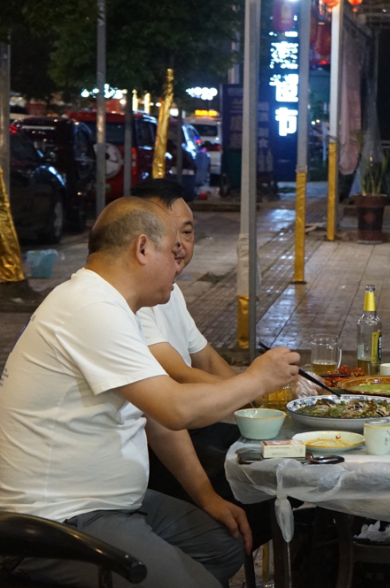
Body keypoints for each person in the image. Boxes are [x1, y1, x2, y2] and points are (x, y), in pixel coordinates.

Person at [0, 197, 300, 588]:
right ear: (141, 248)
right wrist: (257, 379)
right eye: (172, 252)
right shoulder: (89, 306)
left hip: (114, 505)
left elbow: (155, 416)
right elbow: (174, 408)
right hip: (59, 519)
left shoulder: (117, 306)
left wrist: (206, 496)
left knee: (224, 546)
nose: (179, 263)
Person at [130, 178, 274, 544]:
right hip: (146, 451)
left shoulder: (169, 289)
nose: (179, 246)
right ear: (140, 241)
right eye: (168, 234)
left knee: (276, 459)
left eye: (188, 232)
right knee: (266, 487)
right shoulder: (122, 300)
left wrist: (257, 405)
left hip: (176, 428)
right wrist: (254, 386)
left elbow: (206, 358)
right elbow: (174, 378)